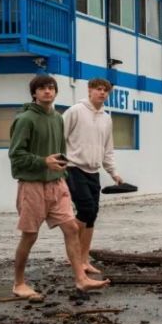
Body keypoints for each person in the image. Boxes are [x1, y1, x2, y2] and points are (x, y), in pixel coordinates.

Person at [9, 75, 109, 298]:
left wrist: (62, 171)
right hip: (32, 185)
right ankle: (19, 283)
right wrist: (43, 161)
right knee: (30, 235)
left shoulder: (57, 118)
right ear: (34, 93)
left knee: (72, 228)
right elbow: (15, 155)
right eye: (42, 88)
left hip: (56, 184)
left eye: (51, 88)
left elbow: (60, 150)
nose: (47, 91)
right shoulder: (25, 119)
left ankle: (81, 279)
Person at [63, 78, 123, 275]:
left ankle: (84, 260)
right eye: (99, 89)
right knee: (85, 209)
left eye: (106, 90)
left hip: (93, 171)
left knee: (92, 215)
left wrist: (114, 173)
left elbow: (108, 149)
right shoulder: (75, 111)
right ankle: (74, 256)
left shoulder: (107, 118)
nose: (103, 93)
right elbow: (59, 137)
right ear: (89, 90)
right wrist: (58, 165)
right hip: (73, 167)